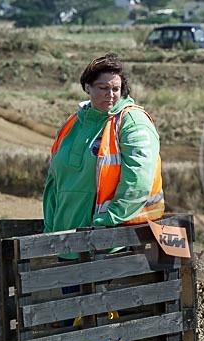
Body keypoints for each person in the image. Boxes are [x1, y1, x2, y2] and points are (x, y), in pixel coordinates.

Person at [43, 52, 164, 236]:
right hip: (64, 238)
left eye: (116, 89)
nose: (110, 94)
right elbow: (54, 182)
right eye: (103, 87)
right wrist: (50, 225)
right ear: (87, 87)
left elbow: (139, 180)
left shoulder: (132, 122)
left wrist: (108, 221)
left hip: (114, 242)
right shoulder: (73, 123)